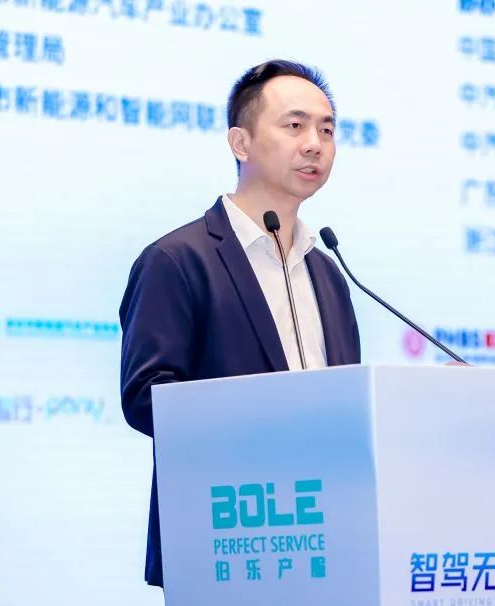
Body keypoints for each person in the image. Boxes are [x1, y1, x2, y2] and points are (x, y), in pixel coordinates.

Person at [118, 59, 361, 589]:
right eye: (294, 126)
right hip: (227, 542)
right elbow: (146, 398)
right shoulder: (177, 260)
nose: (315, 144)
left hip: (329, 543)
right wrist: (275, 419)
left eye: (326, 130)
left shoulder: (329, 272)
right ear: (241, 142)